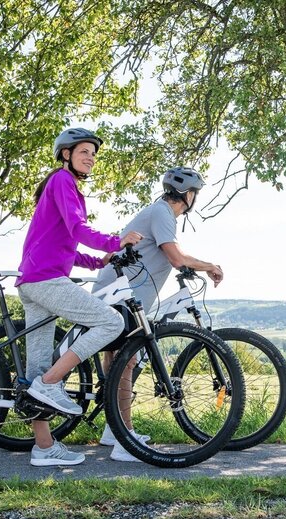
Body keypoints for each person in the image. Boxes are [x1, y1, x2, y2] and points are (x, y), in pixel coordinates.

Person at [16, 127, 143, 467]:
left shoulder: (61, 185)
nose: (90, 157)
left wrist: (97, 259)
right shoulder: (62, 181)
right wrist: (117, 242)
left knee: (37, 367)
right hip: (45, 280)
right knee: (111, 321)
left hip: (35, 278)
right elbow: (77, 229)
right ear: (66, 154)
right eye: (84, 151)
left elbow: (64, 245)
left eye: (93, 153)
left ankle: (43, 448)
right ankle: (51, 382)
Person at [92, 167, 224, 459]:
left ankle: (113, 429)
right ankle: (124, 438)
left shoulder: (158, 212)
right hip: (120, 294)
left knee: (120, 359)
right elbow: (176, 257)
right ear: (188, 195)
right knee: (126, 361)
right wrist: (210, 265)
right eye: (195, 194)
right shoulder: (163, 213)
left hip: (116, 291)